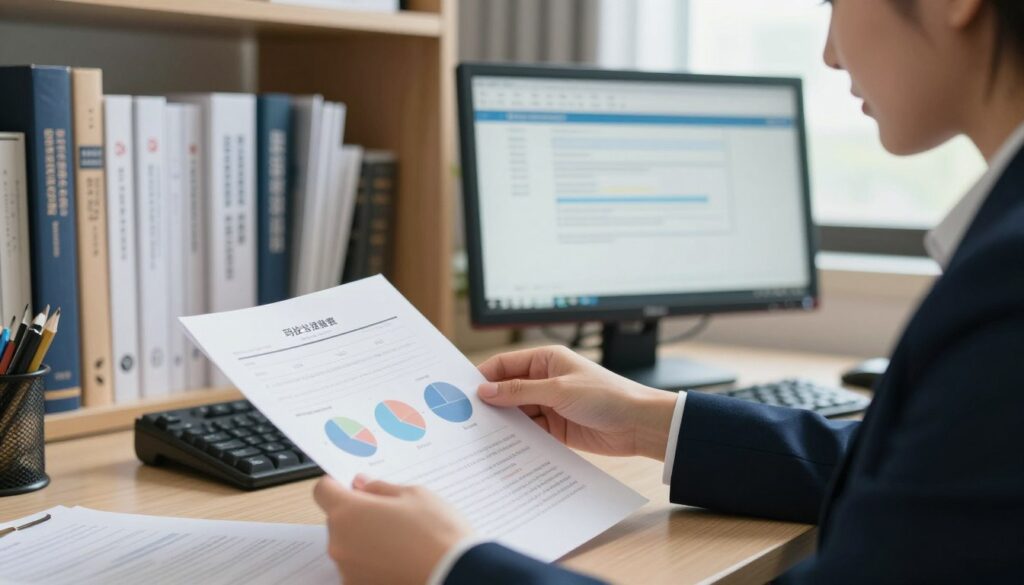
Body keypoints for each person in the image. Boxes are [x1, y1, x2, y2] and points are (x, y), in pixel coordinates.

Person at [313, 0, 1024, 582]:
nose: (831, 54)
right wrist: (652, 420)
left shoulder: (1007, 283)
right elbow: (923, 482)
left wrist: (451, 567)